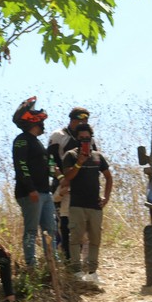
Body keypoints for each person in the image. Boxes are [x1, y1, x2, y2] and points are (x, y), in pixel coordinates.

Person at [63, 123, 113, 283]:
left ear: (91, 138)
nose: (85, 140)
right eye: (81, 138)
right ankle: (76, 272)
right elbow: (67, 177)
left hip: (95, 205)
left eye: (87, 138)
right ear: (76, 139)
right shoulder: (70, 155)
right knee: (75, 238)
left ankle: (92, 272)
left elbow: (108, 177)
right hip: (77, 204)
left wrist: (106, 197)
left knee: (95, 238)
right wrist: (79, 162)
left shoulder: (98, 156)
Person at [12, 96, 58, 267]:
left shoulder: (38, 143)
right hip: (30, 193)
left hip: (45, 192)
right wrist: (31, 189)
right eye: (40, 121)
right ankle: (31, 264)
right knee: (31, 229)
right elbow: (21, 165)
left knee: (51, 228)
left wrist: (58, 174)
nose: (43, 123)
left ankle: (52, 262)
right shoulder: (22, 140)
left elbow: (49, 168)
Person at [48, 107, 98, 260]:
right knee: (64, 224)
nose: (84, 123)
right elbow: (49, 161)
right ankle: (66, 260)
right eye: (81, 120)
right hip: (62, 185)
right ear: (73, 120)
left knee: (84, 225)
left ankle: (81, 261)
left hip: (84, 187)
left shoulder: (89, 139)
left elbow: (95, 160)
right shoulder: (58, 136)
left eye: (86, 121)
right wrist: (61, 179)